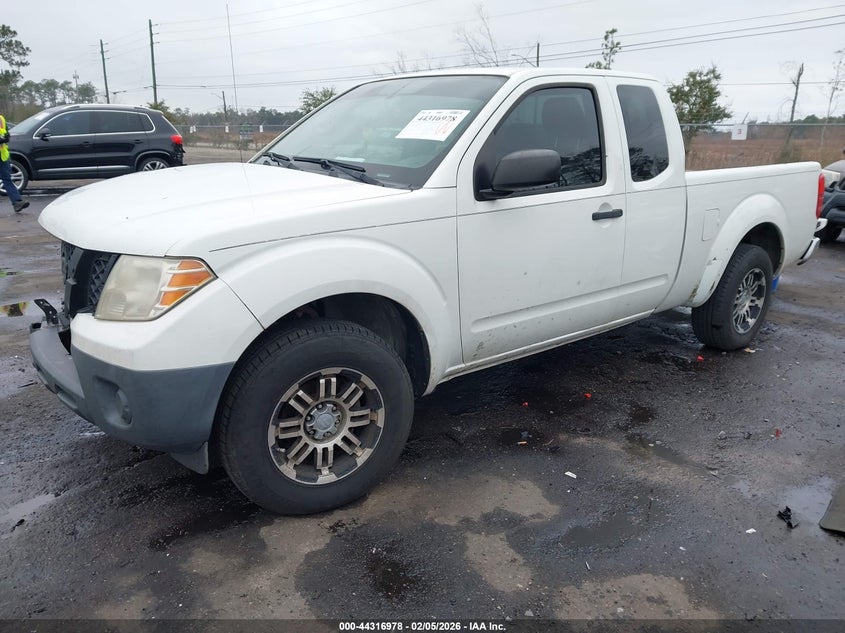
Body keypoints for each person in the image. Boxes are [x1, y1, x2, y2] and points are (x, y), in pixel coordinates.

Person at [0, 113, 28, 213]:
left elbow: (6, 134)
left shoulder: (1, 118)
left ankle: (17, 202)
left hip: (3, 156)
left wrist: (6, 137)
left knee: (7, 179)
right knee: (7, 179)